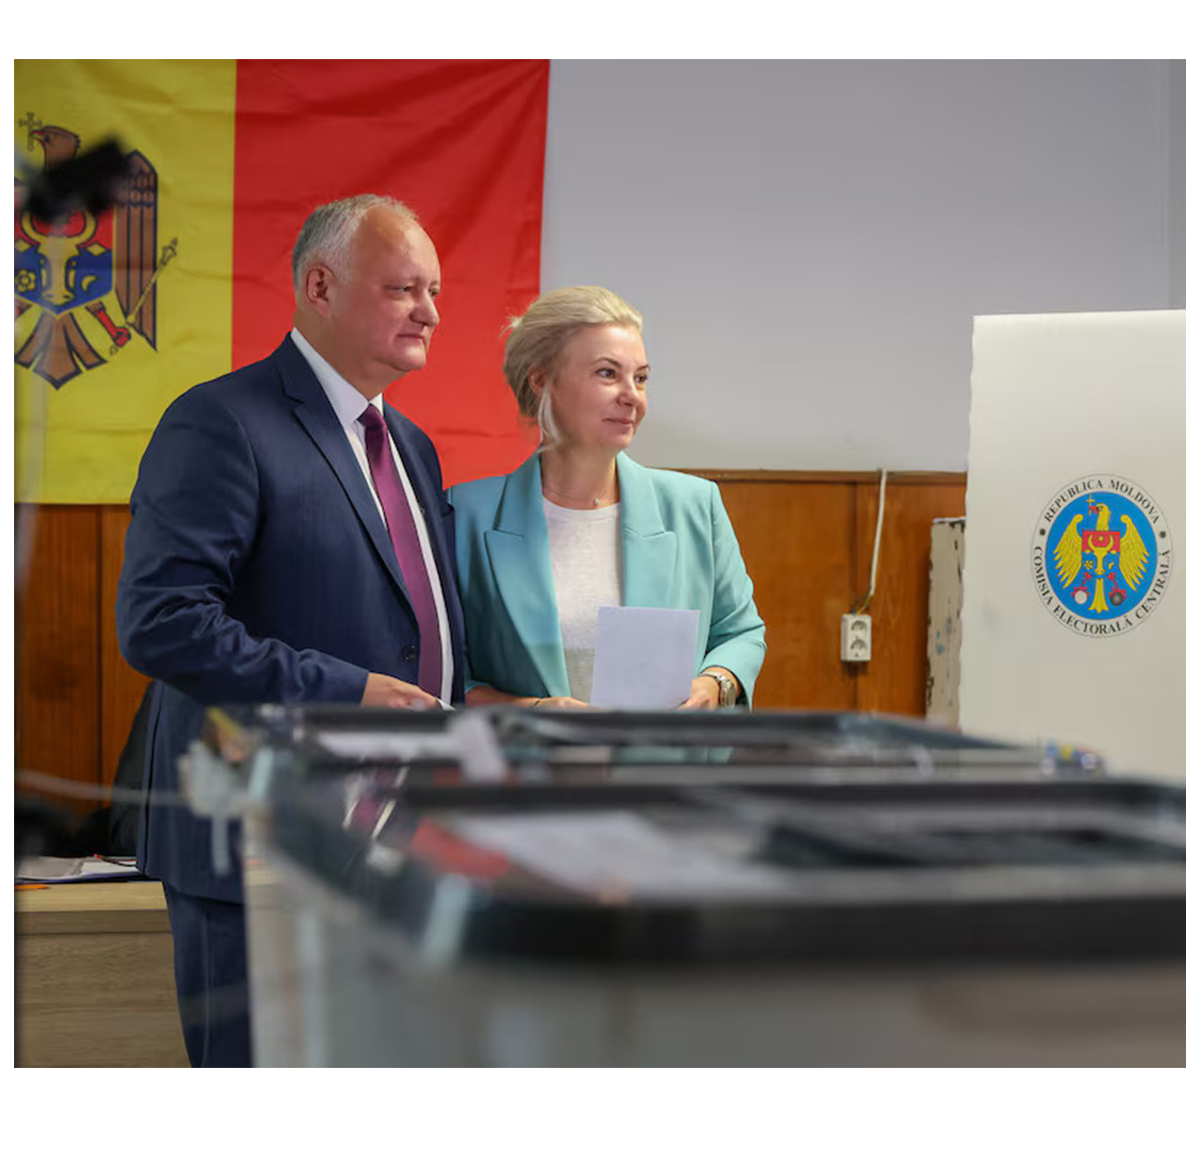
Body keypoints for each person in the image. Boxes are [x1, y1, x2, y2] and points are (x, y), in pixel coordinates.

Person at [116, 195, 466, 1066]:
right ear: (320, 285)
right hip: (259, 842)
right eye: (403, 289)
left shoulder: (412, 445)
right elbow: (163, 623)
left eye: (434, 290)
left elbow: (409, 625)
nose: (430, 311)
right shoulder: (223, 421)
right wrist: (347, 692)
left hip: (391, 845)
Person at [449, 286, 764, 711]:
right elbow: (444, 674)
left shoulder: (695, 505)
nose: (631, 394)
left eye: (641, 377)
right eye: (607, 373)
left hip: (663, 771)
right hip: (523, 771)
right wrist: (536, 711)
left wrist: (714, 685)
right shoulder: (464, 513)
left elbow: (740, 632)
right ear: (542, 381)